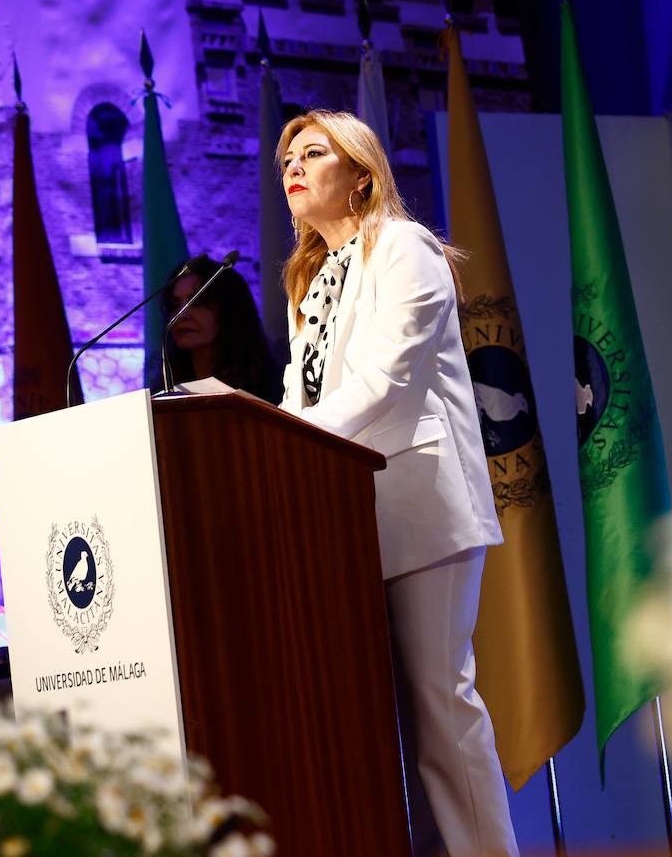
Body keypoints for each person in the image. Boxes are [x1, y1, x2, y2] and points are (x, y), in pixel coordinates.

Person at [276, 109, 518, 857]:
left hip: (421, 511)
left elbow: (385, 382)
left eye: (313, 152)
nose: (293, 166)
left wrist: (289, 437)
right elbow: (299, 399)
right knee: (394, 723)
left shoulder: (402, 249)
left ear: (361, 173)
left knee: (441, 707)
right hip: (346, 524)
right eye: (287, 156)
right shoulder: (312, 281)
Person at [158, 254, 282, 403]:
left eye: (197, 302)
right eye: (174, 304)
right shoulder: (166, 389)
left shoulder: (267, 388)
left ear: (229, 311)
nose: (181, 314)